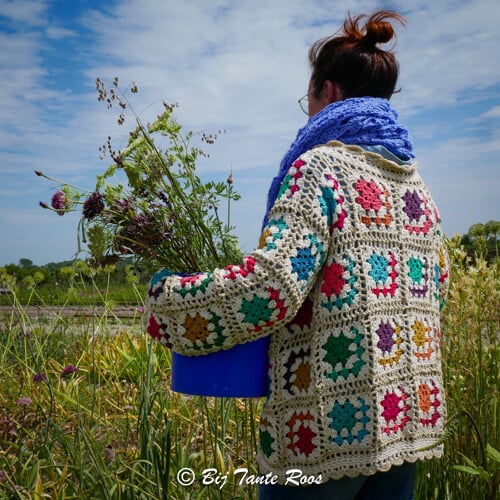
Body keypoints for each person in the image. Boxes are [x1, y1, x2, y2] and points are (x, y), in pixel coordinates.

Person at [146, 9, 449, 500]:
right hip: (408, 418)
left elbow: (272, 287)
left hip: (326, 430)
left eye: (307, 99)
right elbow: (438, 291)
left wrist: (169, 298)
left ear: (327, 92)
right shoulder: (416, 186)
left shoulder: (319, 169)